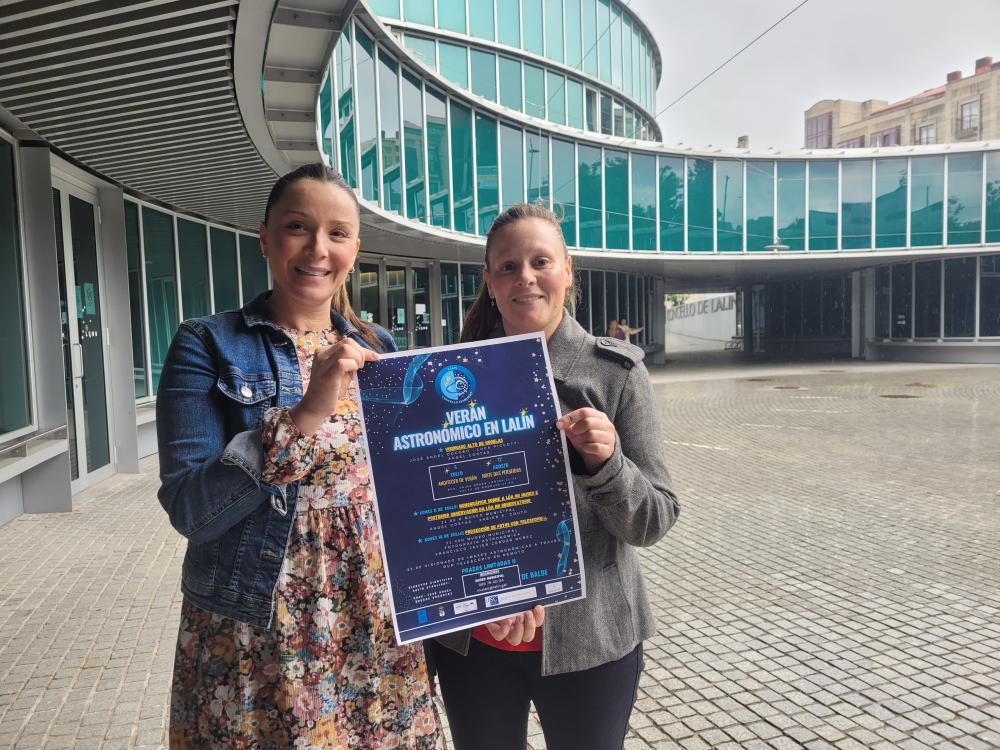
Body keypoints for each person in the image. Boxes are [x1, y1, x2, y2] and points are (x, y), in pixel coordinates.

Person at [156, 164, 444, 748]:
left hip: (372, 614)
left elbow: (408, 487)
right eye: (297, 227)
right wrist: (305, 413)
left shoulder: (379, 346)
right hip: (261, 621)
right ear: (265, 237)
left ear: (355, 250)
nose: (317, 249)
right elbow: (190, 508)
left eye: (337, 233)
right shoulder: (207, 343)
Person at [429, 203, 680, 750]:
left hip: (592, 642)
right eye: (508, 266)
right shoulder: (446, 379)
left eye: (540, 262)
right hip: (477, 640)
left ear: (567, 270)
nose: (525, 277)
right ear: (490, 281)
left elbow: (654, 519)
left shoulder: (617, 374)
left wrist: (607, 465)